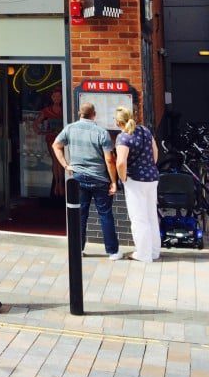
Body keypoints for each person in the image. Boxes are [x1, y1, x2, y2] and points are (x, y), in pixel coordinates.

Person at [51, 102, 122, 260]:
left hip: (78, 178)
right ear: (94, 114)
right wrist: (113, 181)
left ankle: (78, 249)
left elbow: (56, 145)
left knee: (80, 215)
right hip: (99, 179)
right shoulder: (101, 132)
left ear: (79, 113)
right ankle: (113, 252)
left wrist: (65, 165)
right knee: (105, 215)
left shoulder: (70, 128)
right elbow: (109, 160)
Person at [115, 106, 160, 262]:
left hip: (135, 180)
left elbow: (120, 162)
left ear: (118, 122)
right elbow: (155, 151)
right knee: (151, 216)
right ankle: (154, 252)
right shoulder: (145, 131)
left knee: (139, 218)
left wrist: (123, 179)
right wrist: (150, 167)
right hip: (152, 178)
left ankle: (143, 254)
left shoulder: (123, 137)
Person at [35, 87, 65, 198]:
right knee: (56, 161)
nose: (57, 98)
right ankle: (58, 185)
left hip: (62, 139)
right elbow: (36, 123)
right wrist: (41, 132)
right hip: (52, 138)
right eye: (55, 96)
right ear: (52, 98)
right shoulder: (47, 110)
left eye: (59, 96)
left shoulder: (65, 109)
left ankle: (59, 185)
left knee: (60, 161)